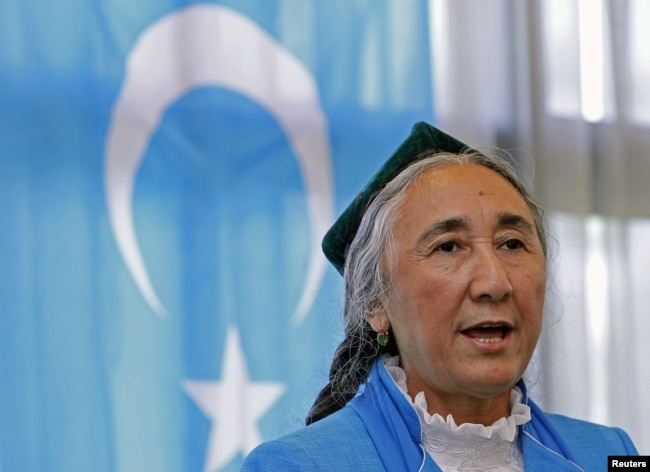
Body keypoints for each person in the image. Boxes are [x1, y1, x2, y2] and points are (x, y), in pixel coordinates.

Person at [240, 122, 638, 471]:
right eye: (448, 247)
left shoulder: (613, 453)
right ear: (374, 304)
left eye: (512, 244)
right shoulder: (294, 466)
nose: (494, 282)